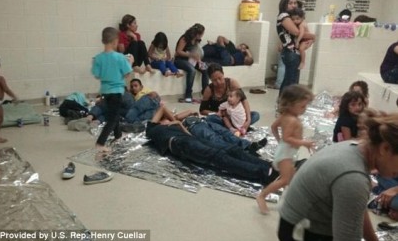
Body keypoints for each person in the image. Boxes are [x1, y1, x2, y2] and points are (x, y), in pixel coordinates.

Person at [277, 109, 398, 241]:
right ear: (385, 149)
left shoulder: (354, 147)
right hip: (301, 232)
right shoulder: (353, 178)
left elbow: (358, 210)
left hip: (296, 223)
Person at [145, 105, 278, 185]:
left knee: (232, 149)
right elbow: (162, 108)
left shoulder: (173, 125)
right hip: (179, 143)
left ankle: (269, 165)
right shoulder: (152, 128)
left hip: (189, 138)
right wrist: (172, 123)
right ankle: (264, 173)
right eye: (164, 119)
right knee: (218, 157)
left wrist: (176, 123)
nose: (167, 119)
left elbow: (183, 128)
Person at [256, 84, 315, 214]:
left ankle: (291, 202)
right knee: (285, 180)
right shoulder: (292, 120)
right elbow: (287, 138)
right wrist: (303, 142)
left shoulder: (285, 116)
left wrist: (279, 142)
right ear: (290, 104)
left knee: (292, 179)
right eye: (302, 106)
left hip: (286, 151)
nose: (305, 109)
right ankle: (262, 196)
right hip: (286, 154)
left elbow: (273, 127)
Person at [92, 27, 133, 152]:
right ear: (115, 41)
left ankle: (118, 135)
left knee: (113, 113)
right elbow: (127, 74)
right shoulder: (120, 57)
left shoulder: (98, 58)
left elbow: (96, 75)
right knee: (113, 118)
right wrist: (130, 62)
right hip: (116, 92)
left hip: (105, 91)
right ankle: (100, 143)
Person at [200, 63, 259, 129]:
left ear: (223, 74)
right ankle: (236, 127)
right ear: (210, 79)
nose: (218, 82)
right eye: (214, 80)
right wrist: (218, 113)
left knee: (255, 115)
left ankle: (234, 126)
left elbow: (244, 100)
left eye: (220, 78)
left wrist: (248, 120)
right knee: (210, 119)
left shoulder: (232, 83)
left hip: (235, 115)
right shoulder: (209, 90)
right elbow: (202, 110)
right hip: (221, 118)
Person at [277, 0, 315, 94]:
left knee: (289, 80)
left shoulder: (292, 17)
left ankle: (283, 104)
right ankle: (286, 106)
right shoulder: (284, 16)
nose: (293, 5)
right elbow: (297, 33)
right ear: (284, 4)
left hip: (293, 52)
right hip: (291, 52)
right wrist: (313, 36)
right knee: (292, 83)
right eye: (290, 3)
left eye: (295, 3)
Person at [174, 23, 209, 103]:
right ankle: (188, 94)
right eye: (201, 34)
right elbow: (178, 51)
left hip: (191, 60)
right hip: (180, 60)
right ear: (197, 33)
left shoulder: (196, 40)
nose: (201, 36)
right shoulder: (185, 38)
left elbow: (196, 52)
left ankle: (205, 93)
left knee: (205, 69)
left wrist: (199, 61)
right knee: (192, 70)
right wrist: (191, 55)